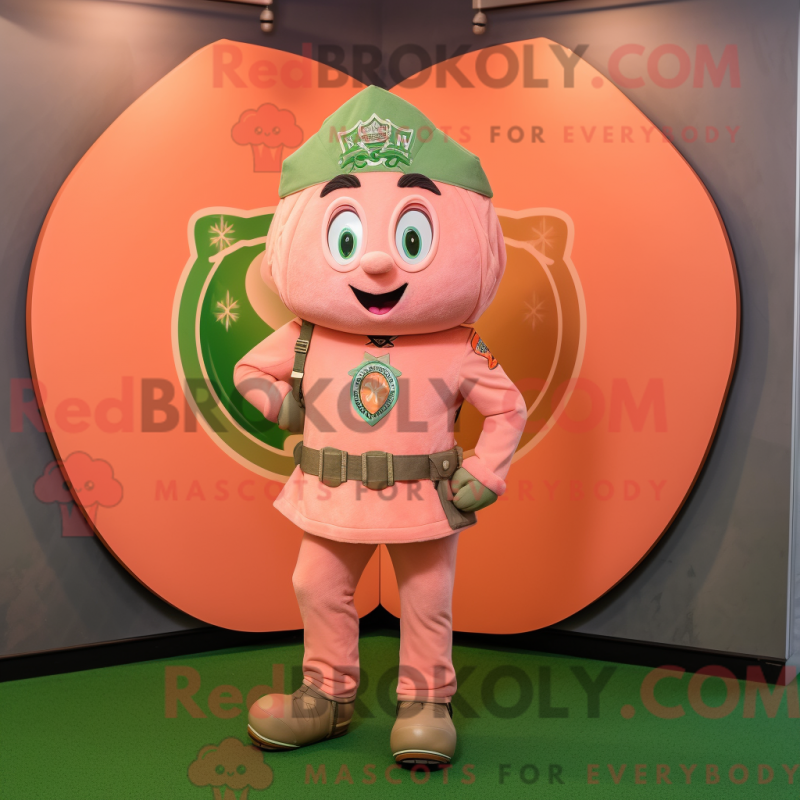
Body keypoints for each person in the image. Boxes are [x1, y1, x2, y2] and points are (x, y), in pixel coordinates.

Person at [234, 85, 526, 766]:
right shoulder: (306, 334)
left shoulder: (459, 344)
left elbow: (507, 408)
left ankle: (426, 703)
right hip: (332, 498)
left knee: (426, 598)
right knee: (317, 585)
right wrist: (286, 408)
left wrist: (486, 474)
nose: (376, 262)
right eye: (347, 238)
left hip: (424, 500)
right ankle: (326, 696)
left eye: (411, 238)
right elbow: (250, 371)